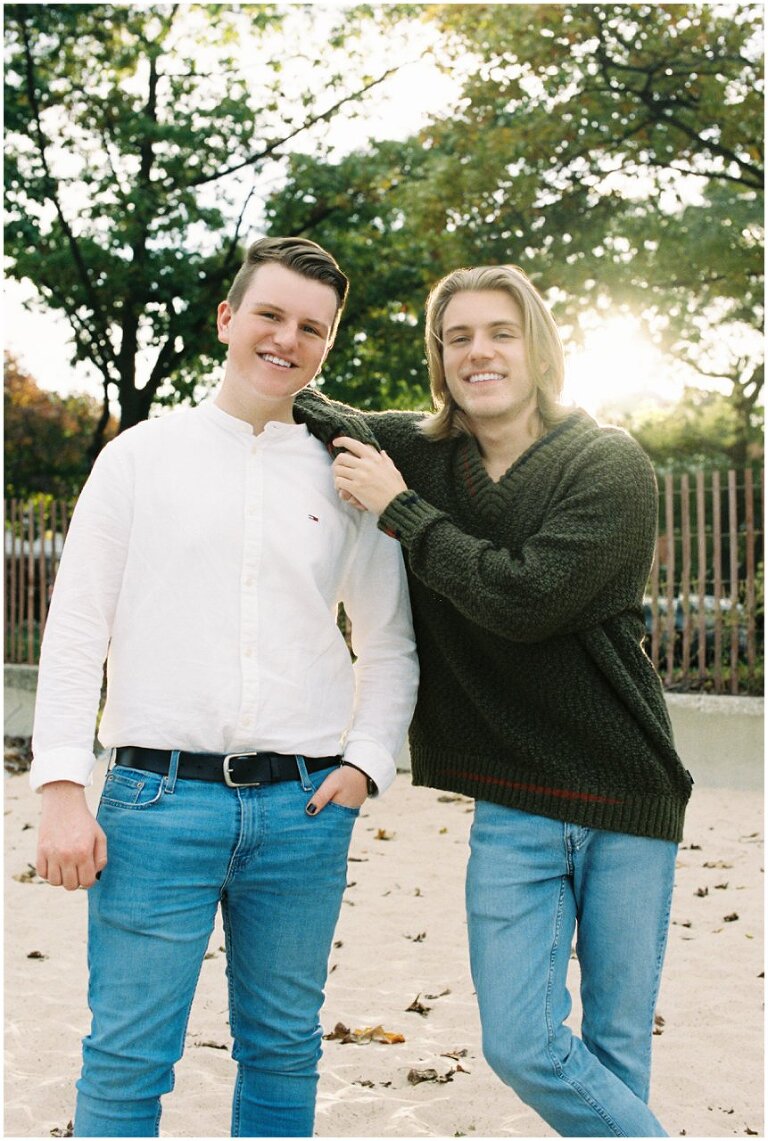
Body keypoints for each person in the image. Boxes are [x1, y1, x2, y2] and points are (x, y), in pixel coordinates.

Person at [293, 263, 694, 1137]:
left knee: (616, 1050)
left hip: (628, 792)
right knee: (523, 1043)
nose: (480, 352)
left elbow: (526, 597)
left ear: (539, 349)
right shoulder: (421, 451)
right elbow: (314, 407)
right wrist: (282, 349)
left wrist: (403, 511)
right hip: (514, 802)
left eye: (500, 333)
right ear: (440, 359)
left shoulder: (608, 462)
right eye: (458, 337)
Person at [30, 236, 419, 1138]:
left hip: (302, 810)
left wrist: (366, 763)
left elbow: (390, 642)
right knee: (128, 1058)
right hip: (154, 803)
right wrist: (60, 788)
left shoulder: (348, 478)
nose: (287, 339)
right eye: (270, 315)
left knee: (284, 1050)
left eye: (312, 328)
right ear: (227, 318)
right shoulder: (138, 458)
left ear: (327, 345)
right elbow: (77, 630)